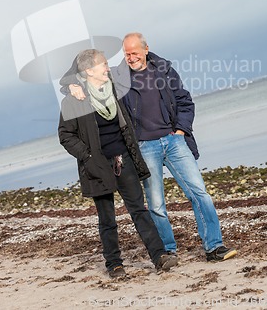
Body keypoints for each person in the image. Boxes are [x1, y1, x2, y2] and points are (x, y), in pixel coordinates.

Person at [60, 35, 237, 263]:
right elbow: (80, 76)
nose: (131, 57)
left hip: (174, 142)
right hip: (145, 147)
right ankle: (167, 251)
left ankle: (214, 247)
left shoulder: (163, 70)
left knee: (200, 194)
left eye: (135, 52)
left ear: (146, 49)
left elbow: (184, 100)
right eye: (127, 53)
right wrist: (71, 86)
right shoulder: (117, 76)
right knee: (155, 205)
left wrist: (181, 130)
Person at [58, 48, 178, 279]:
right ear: (89, 71)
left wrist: (143, 49)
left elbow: (135, 64)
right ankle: (114, 264)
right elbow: (66, 135)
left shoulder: (114, 87)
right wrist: (88, 157)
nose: (107, 68)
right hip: (97, 166)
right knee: (107, 218)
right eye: (102, 64)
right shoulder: (73, 101)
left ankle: (159, 256)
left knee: (139, 211)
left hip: (124, 159)